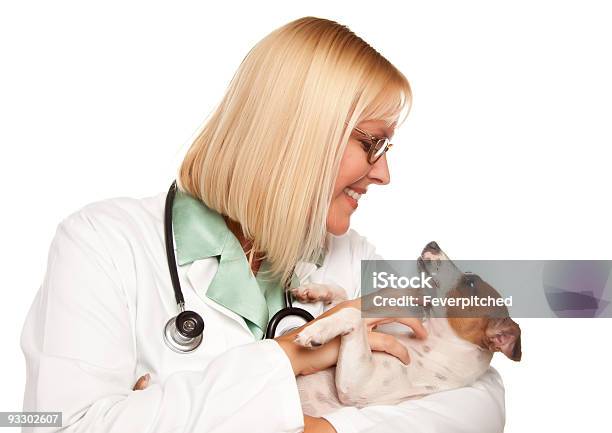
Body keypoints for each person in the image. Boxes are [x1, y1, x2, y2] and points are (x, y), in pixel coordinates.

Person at [20, 16, 505, 433]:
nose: (383, 174)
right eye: (371, 144)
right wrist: (291, 355)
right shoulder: (104, 242)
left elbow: (479, 398)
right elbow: (64, 424)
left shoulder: (354, 257)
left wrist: (326, 428)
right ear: (302, 134)